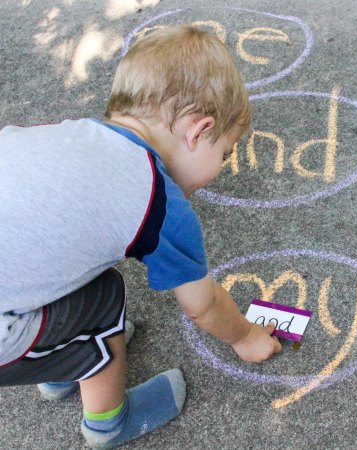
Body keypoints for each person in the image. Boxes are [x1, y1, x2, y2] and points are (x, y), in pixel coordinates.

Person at [0, 25, 281, 449]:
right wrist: (245, 336)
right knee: (104, 300)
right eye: (224, 152)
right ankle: (108, 423)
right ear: (198, 130)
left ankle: (61, 366)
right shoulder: (157, 199)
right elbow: (203, 305)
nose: (222, 165)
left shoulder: (75, 133)